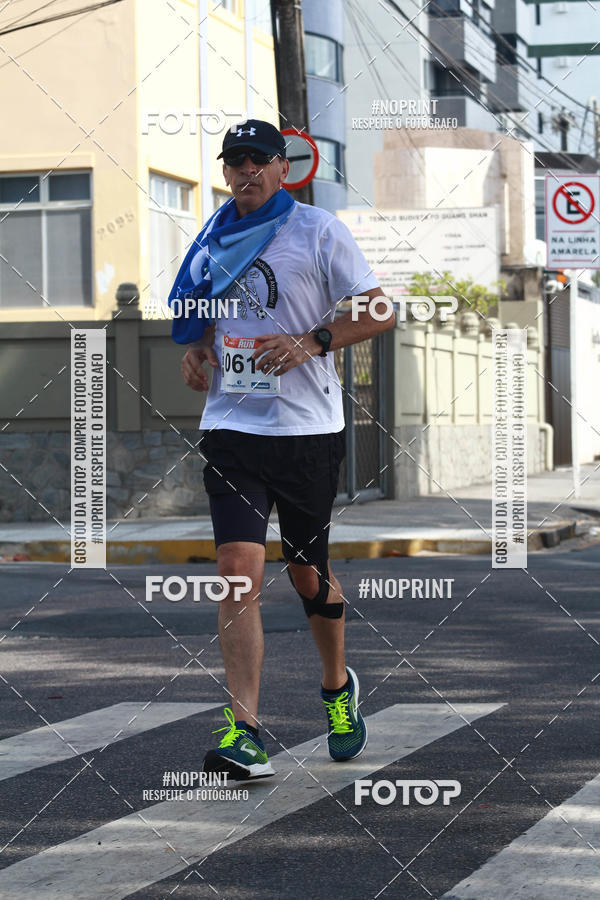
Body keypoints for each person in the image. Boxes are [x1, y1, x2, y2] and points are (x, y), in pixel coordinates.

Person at [174, 119, 393, 781]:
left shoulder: (318, 231)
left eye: (256, 161)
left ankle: (336, 688)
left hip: (307, 432)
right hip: (233, 428)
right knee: (237, 569)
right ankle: (245, 731)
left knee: (305, 572)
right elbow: (204, 311)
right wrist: (198, 346)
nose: (244, 173)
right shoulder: (212, 237)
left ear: (282, 167)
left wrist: (312, 342)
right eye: (233, 163)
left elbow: (381, 310)